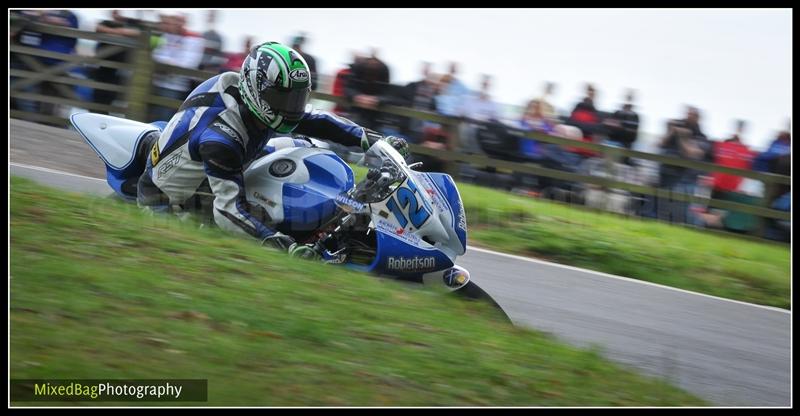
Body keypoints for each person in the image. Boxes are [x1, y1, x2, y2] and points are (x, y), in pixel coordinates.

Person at [136, 42, 408, 256]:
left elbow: (320, 121)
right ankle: (305, 231)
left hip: (218, 167)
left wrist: (374, 141)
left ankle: (333, 212)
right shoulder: (222, 139)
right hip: (169, 205)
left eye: (297, 98)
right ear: (257, 91)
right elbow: (227, 211)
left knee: (302, 146)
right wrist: (277, 243)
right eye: (284, 98)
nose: (292, 107)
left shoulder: (254, 97)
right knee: (263, 214)